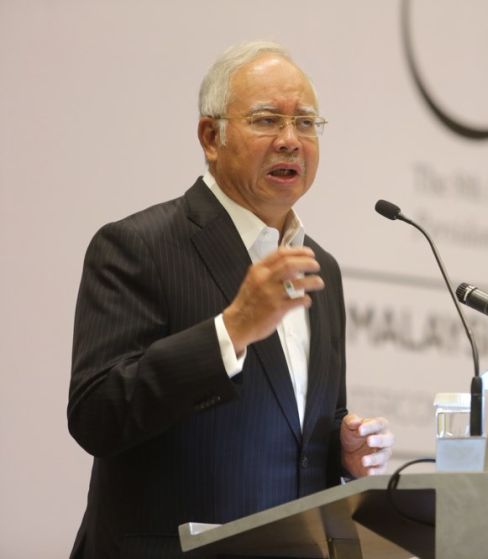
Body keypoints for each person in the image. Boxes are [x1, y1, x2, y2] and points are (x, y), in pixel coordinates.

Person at [67, 41, 394, 558]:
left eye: (307, 124)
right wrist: (232, 329)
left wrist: (343, 453)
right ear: (210, 136)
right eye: (267, 120)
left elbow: (296, 433)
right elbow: (97, 415)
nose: (290, 140)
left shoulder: (319, 267)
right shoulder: (138, 246)